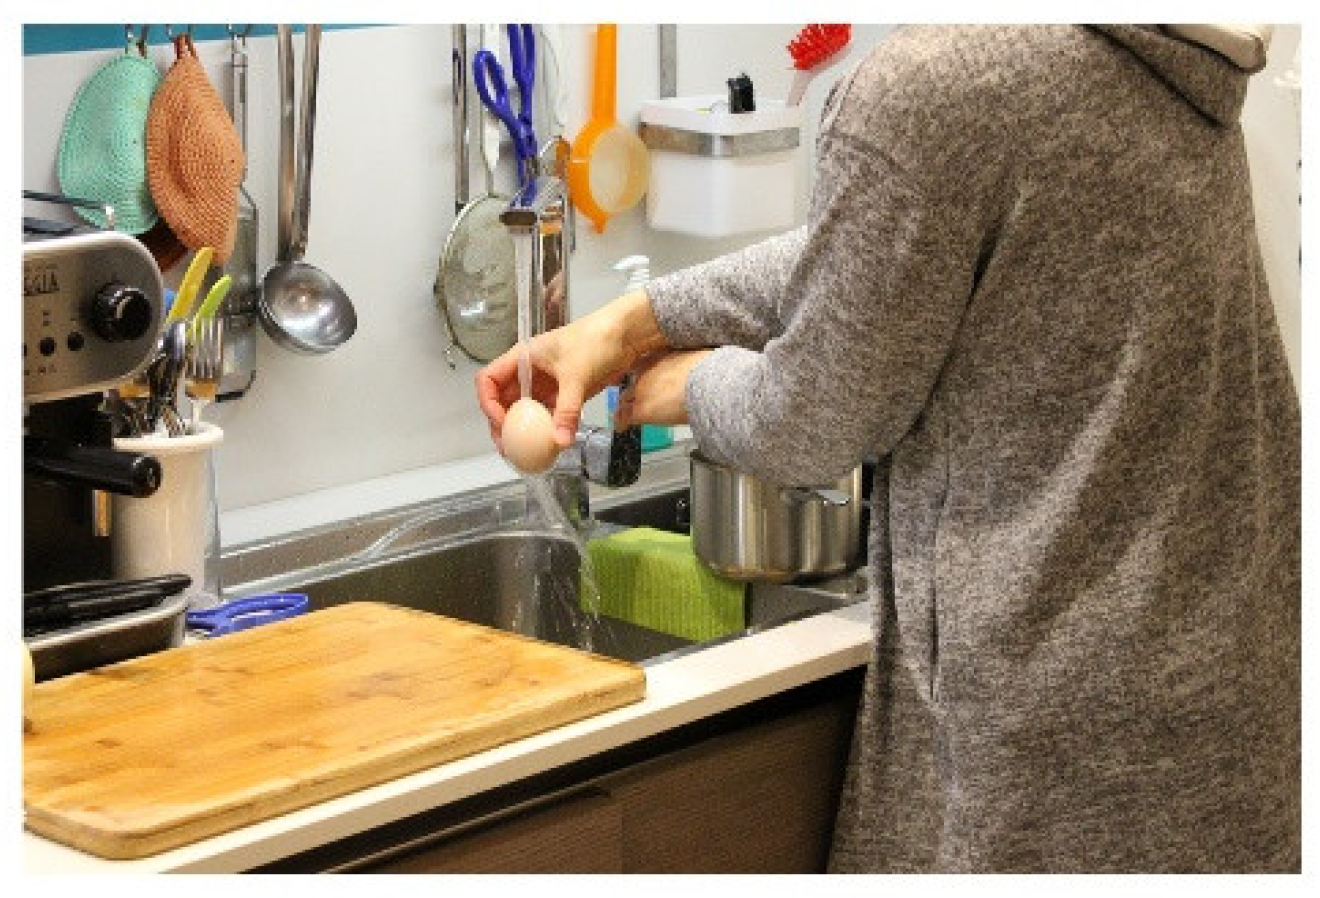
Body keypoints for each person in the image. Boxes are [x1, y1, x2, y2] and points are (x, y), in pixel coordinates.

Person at [476, 25, 1300, 873]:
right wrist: (637, 320)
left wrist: (688, 385)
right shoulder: (1140, 48)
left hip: (1053, 728)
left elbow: (814, 423)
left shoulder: (938, 82)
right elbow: (890, 249)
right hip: (1225, 678)